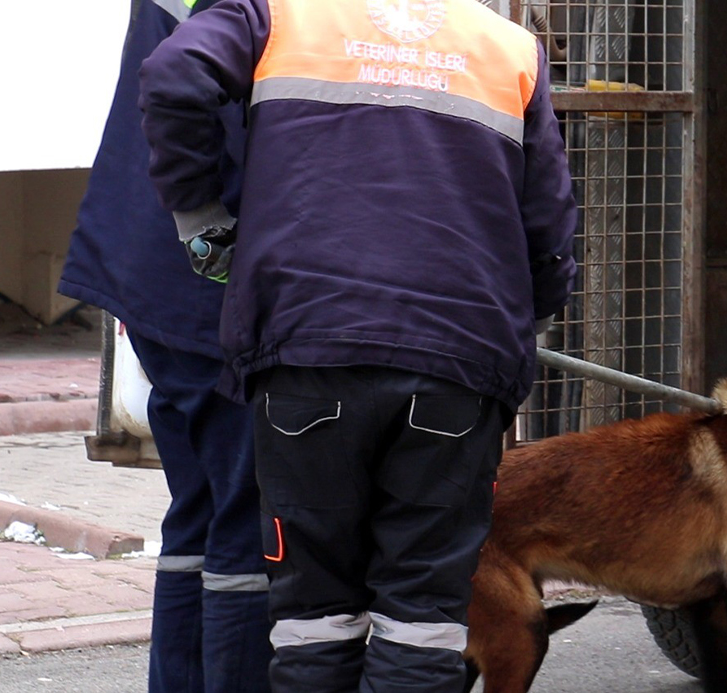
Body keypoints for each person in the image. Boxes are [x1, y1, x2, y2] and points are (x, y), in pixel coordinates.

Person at [137, 0, 579, 690]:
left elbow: (174, 74)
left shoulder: (277, 12)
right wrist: (526, 322)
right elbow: (548, 220)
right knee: (423, 613)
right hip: (458, 359)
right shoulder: (509, 46)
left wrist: (202, 219)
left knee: (314, 612)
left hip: (308, 352)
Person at [58, 1, 273, 692]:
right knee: (247, 514)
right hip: (210, 280)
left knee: (201, 506)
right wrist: (208, 227)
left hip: (155, 266)